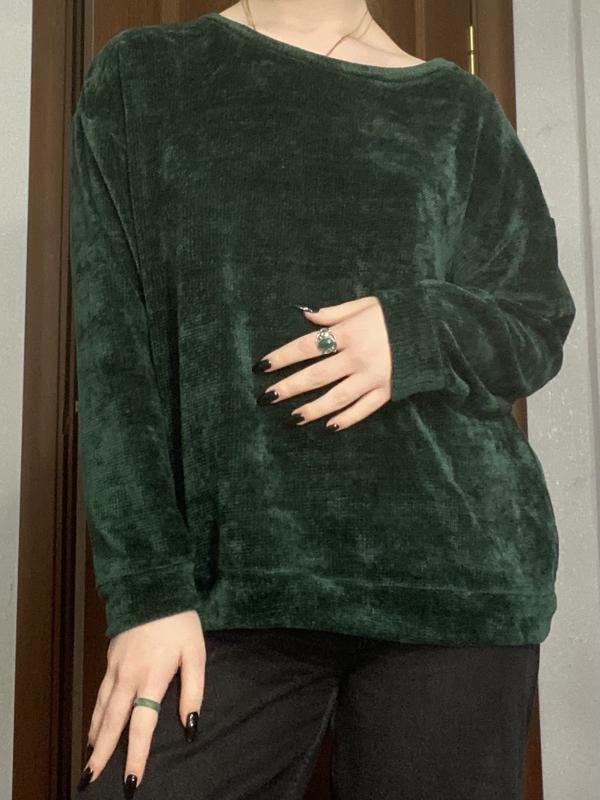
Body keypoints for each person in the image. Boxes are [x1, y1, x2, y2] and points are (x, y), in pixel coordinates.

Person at [69, 0, 576, 798]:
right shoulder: (142, 75)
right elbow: (114, 361)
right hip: (232, 588)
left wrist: (414, 331)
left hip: (453, 584)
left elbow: (536, 319)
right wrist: (147, 595)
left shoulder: (457, 107)